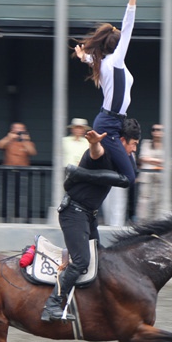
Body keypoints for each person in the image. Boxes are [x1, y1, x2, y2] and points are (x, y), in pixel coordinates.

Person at [42, 118, 140, 322]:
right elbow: (97, 154)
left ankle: (93, 303)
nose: (134, 149)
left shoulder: (123, 157)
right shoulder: (102, 152)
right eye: (133, 144)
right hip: (73, 213)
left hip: (88, 215)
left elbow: (131, 174)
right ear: (122, 141)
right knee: (81, 262)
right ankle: (51, 305)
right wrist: (94, 142)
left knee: (99, 258)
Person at [73, 0, 145, 188]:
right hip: (109, 123)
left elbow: (90, 59)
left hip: (115, 121)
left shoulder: (105, 63)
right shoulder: (114, 62)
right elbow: (128, 26)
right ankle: (82, 175)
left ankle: (92, 172)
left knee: (132, 170)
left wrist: (82, 56)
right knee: (130, 178)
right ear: (117, 45)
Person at [136, 123, 165, 221]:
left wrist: (150, 160)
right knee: (144, 199)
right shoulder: (146, 143)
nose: (157, 132)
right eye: (154, 130)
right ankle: (142, 221)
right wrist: (159, 162)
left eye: (160, 130)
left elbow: (167, 161)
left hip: (160, 178)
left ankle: (156, 222)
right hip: (146, 176)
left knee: (158, 200)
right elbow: (143, 158)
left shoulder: (166, 145)